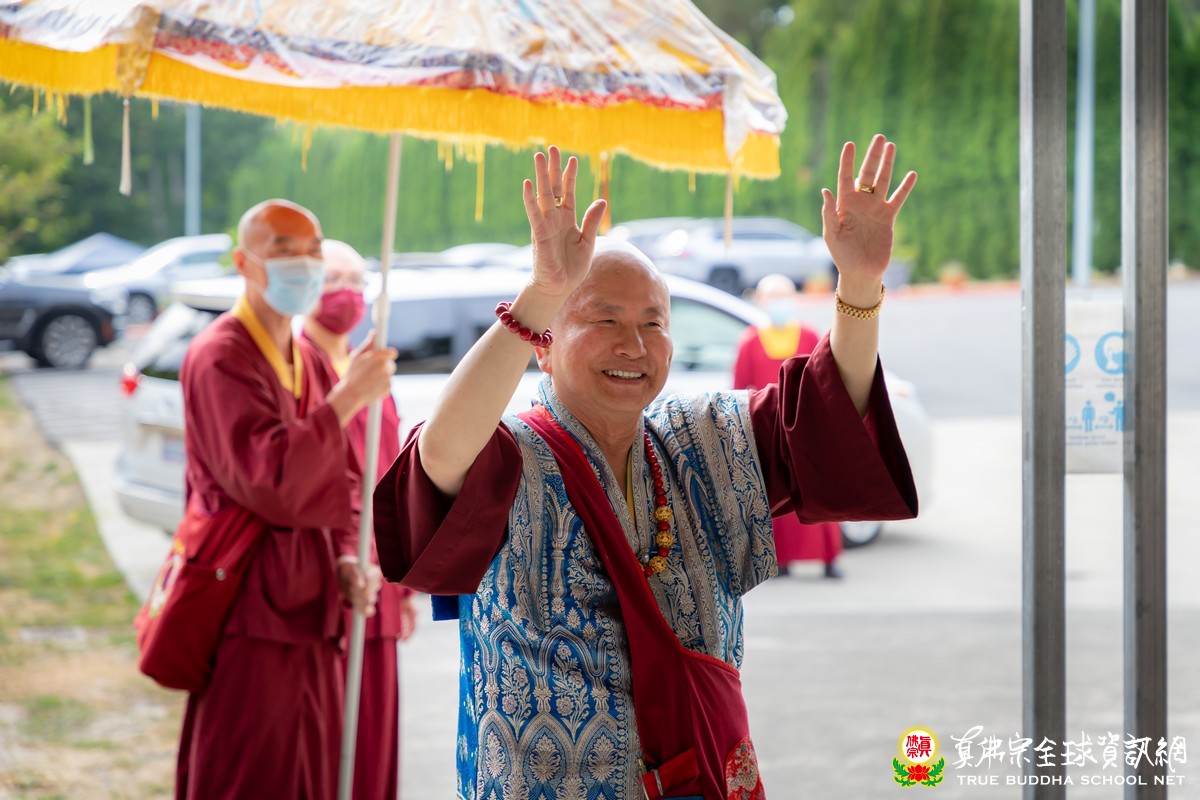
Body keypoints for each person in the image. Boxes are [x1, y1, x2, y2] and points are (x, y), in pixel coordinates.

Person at [375, 138, 919, 798]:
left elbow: (830, 416)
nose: (633, 345)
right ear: (545, 346)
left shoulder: (703, 437)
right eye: (604, 319)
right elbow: (438, 456)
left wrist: (858, 284)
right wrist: (543, 291)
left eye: (653, 324)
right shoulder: (512, 458)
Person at [175, 200, 397, 799]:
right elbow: (269, 480)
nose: (304, 264)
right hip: (250, 604)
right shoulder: (220, 355)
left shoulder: (307, 361)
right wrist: (347, 400)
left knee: (314, 772)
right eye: (284, 250)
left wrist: (348, 554)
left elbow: (342, 477)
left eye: (312, 250)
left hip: (314, 599)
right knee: (253, 772)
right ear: (244, 262)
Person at [301, 238, 419, 800]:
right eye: (332, 280)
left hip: (381, 576)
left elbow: (393, 478)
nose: (346, 292)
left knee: (373, 737)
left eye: (355, 280)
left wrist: (406, 585)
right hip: (332, 573)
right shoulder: (302, 369)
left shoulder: (369, 370)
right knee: (327, 745)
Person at [732, 273, 845, 579]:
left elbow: (825, 378)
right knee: (777, 498)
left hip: (807, 428)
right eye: (772, 297)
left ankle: (829, 558)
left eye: (783, 296)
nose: (778, 303)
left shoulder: (808, 336)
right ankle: (780, 561)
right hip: (769, 431)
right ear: (761, 302)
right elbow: (739, 389)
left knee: (818, 494)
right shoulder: (750, 342)